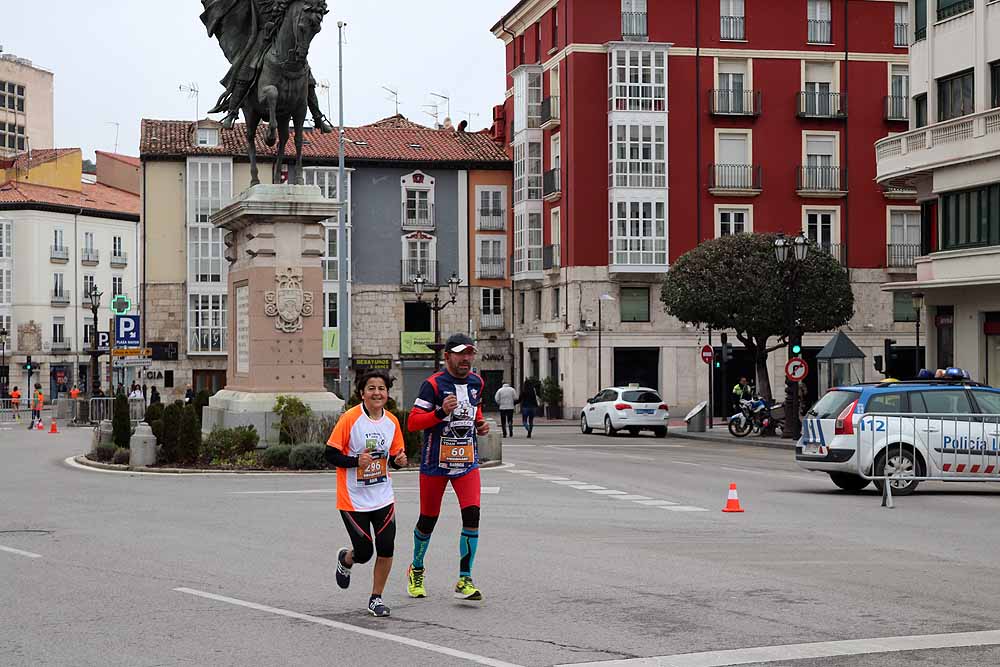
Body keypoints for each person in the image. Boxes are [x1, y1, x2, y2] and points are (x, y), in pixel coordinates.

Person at [406, 333, 489, 601]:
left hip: (466, 462)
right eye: (461, 354)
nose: (466, 359)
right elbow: (413, 423)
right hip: (435, 463)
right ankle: (416, 569)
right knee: (428, 519)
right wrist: (440, 412)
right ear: (448, 356)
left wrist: (480, 424)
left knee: (473, 515)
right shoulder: (432, 385)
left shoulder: (477, 382)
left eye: (470, 354)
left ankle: (465, 579)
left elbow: (474, 410)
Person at [325, 370, 407, 617]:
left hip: (382, 496)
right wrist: (354, 461)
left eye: (381, 388)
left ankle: (376, 598)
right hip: (353, 498)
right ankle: (346, 559)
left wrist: (398, 461)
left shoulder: (391, 422)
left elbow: (393, 456)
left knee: (386, 547)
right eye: (371, 388)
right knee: (365, 552)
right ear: (362, 392)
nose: (377, 393)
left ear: (387, 394)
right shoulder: (350, 419)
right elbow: (330, 454)